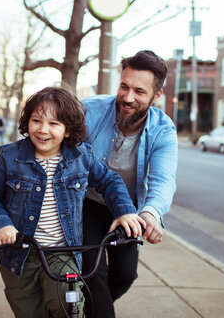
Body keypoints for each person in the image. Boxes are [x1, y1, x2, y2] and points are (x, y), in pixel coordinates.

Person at [0, 86, 145, 318]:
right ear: (27, 123)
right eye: (36, 120)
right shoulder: (10, 158)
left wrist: (123, 211)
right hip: (18, 254)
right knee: (29, 311)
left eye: (54, 124)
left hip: (62, 252)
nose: (43, 129)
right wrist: (1, 223)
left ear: (67, 130)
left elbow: (110, 181)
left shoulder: (81, 157)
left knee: (68, 305)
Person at [81, 50, 178, 318]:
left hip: (127, 210)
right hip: (86, 203)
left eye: (139, 91)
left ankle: (76, 310)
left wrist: (151, 213)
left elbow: (163, 179)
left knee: (125, 275)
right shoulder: (89, 110)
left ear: (156, 96)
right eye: (124, 86)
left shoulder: (163, 130)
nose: (127, 97)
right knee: (93, 272)